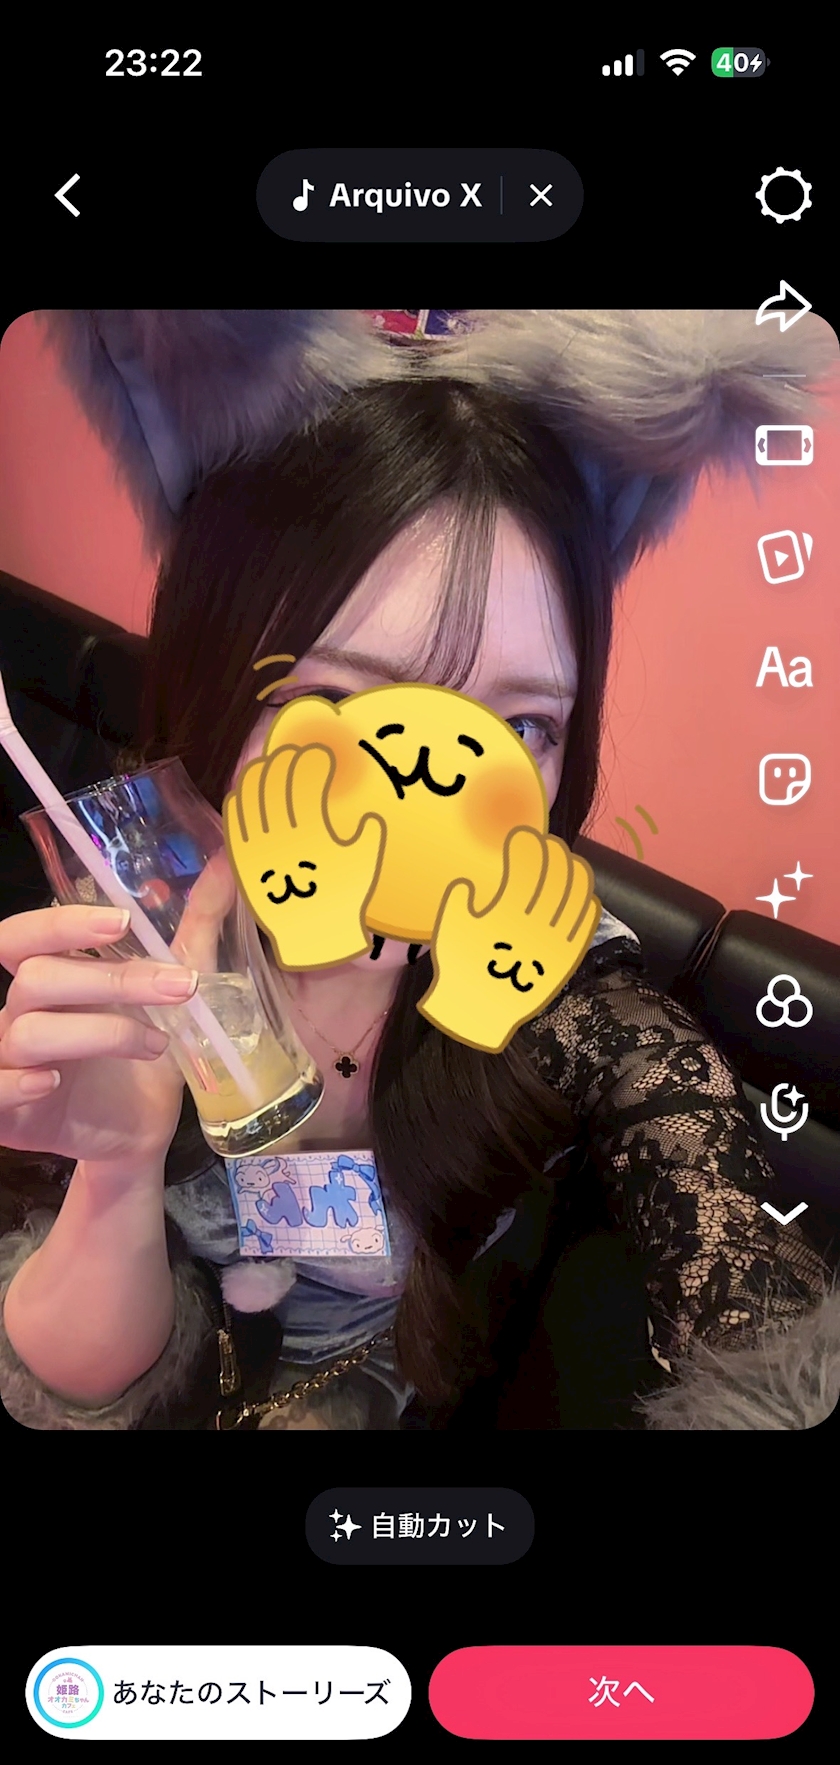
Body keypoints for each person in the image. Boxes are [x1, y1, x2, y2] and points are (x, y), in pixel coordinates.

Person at [0, 308, 838, 1432]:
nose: (422, 801)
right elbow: (73, 1377)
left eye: (520, 725)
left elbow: (754, 1307)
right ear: (217, 673)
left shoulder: (565, 989)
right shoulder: (149, 896)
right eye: (335, 701)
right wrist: (116, 1172)